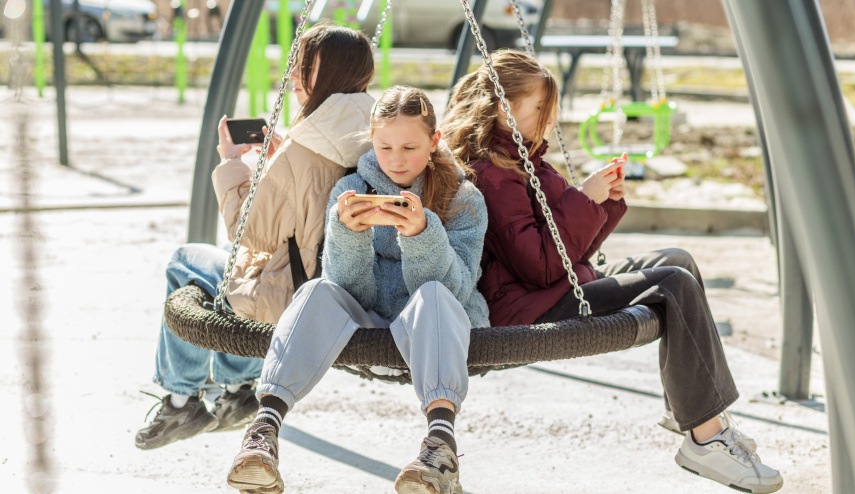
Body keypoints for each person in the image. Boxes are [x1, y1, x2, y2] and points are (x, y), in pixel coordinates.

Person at [442, 50, 784, 494]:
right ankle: (706, 438)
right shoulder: (492, 173)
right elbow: (543, 265)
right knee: (673, 284)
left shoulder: (525, 160)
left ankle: (688, 408)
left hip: (553, 288)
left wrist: (602, 203)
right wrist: (583, 199)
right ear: (501, 108)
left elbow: (571, 250)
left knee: (677, 260)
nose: (552, 120)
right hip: (526, 309)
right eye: (541, 109)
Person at [224, 86, 488, 494]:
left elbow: (457, 287)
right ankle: (263, 432)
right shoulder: (351, 188)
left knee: (435, 296)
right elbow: (348, 290)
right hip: (370, 318)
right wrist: (347, 234)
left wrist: (422, 234)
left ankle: (440, 445)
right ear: (371, 140)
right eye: (385, 147)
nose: (397, 159)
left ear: (435, 142)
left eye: (410, 147)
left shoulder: (463, 198)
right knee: (316, 291)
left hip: (435, 324)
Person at [136, 23, 376, 450]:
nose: (296, 77)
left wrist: (232, 163)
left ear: (331, 74)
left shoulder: (302, 151)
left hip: (295, 296)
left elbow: (248, 234)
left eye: (305, 67)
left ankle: (183, 399)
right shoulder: (376, 132)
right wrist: (280, 160)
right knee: (230, 269)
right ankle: (231, 390)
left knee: (186, 261)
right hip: (346, 287)